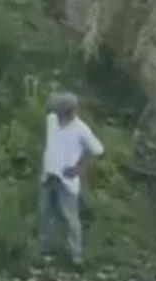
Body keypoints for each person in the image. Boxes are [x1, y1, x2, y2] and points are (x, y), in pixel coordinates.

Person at [40, 91, 104, 266]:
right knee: (45, 214)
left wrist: (79, 167)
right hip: (49, 174)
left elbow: (97, 150)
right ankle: (46, 250)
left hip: (66, 181)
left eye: (58, 110)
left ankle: (76, 257)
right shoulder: (51, 121)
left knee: (71, 219)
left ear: (67, 111)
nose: (55, 113)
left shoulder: (81, 129)